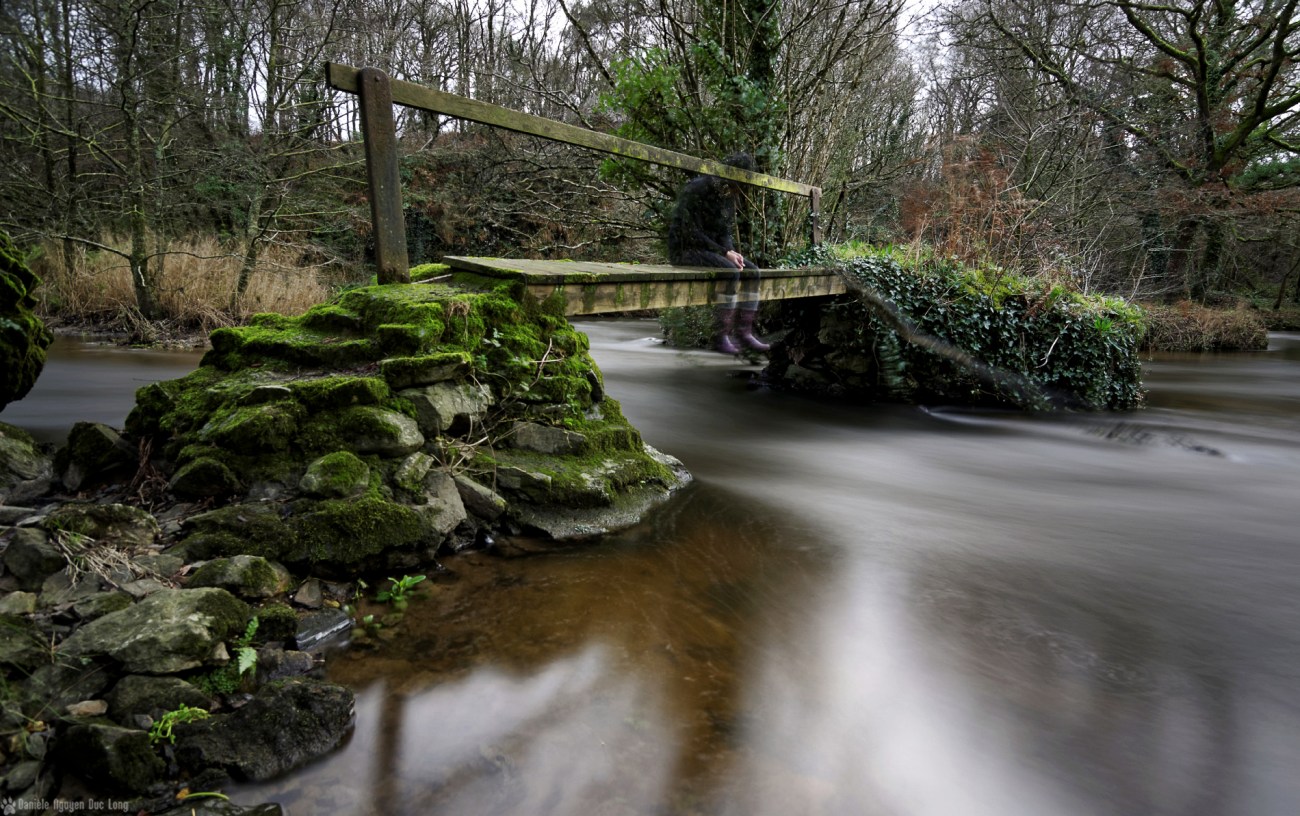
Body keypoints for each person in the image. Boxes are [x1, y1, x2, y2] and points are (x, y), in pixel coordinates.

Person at [667, 152, 769, 354]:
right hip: (685, 250)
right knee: (731, 272)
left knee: (753, 272)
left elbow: (724, 231)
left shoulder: (727, 196)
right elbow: (689, 232)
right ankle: (720, 336)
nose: (739, 189)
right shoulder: (697, 189)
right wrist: (723, 253)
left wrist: (731, 251)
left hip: (711, 250)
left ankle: (744, 333)